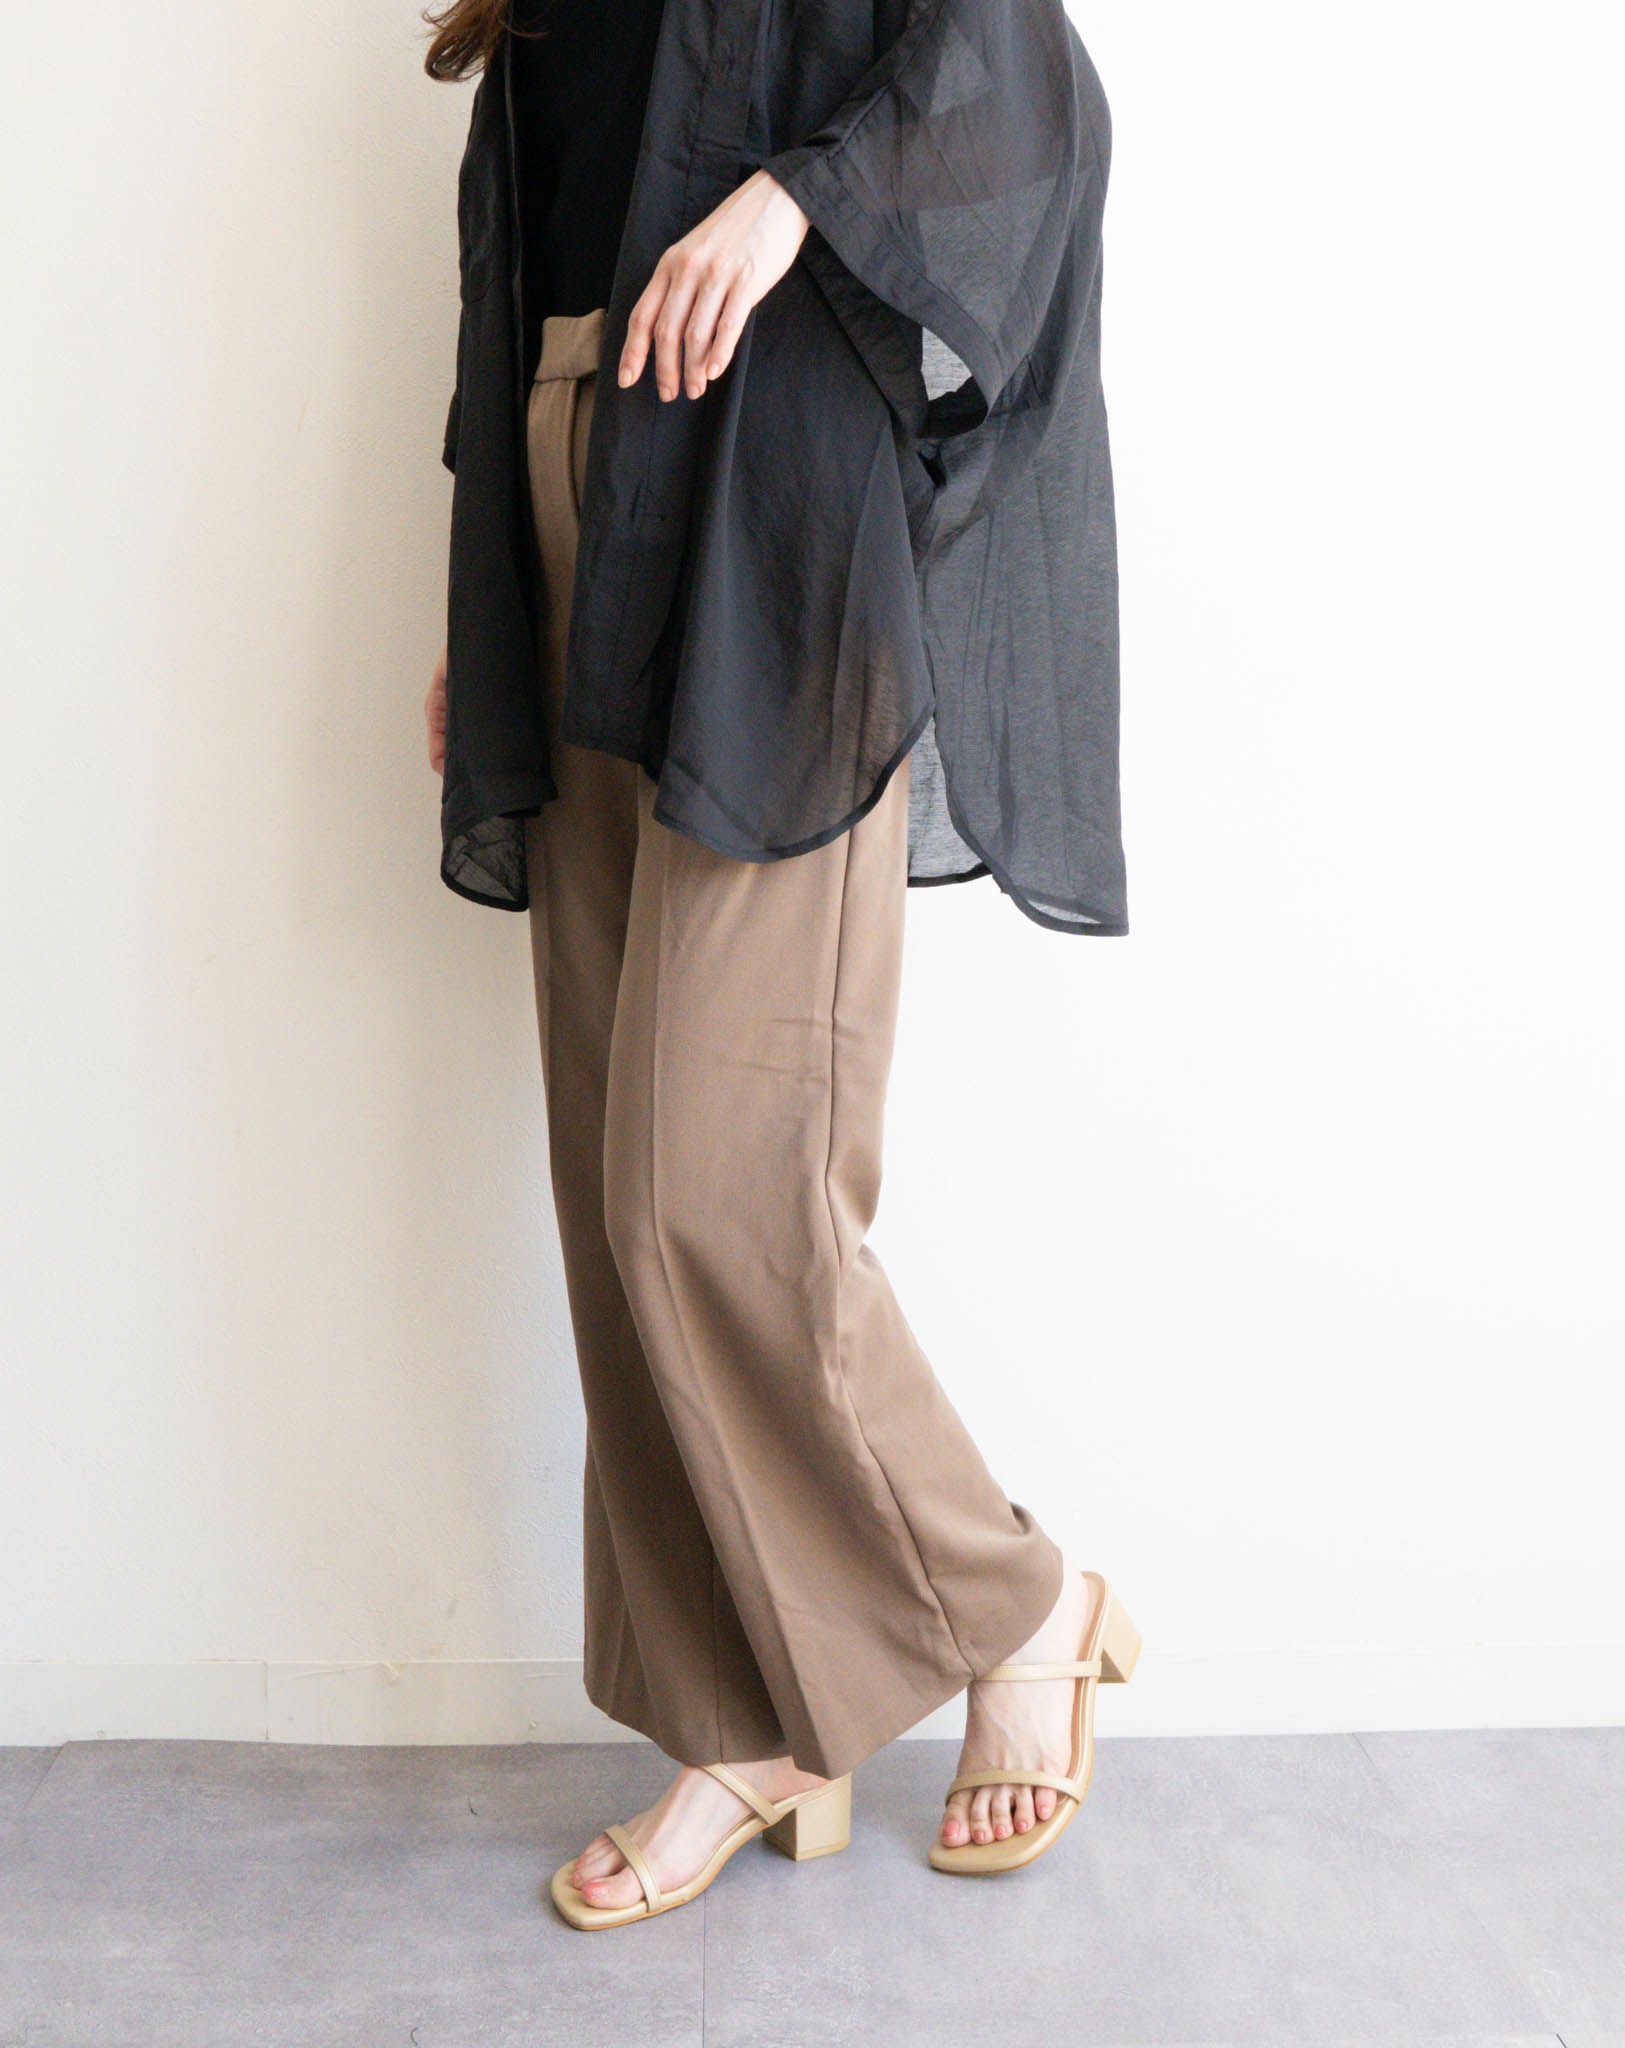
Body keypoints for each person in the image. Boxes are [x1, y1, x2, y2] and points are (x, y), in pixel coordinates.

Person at [422, 0, 1135, 1929]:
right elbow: (538, 227)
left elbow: (1023, 74)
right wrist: (487, 595)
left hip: (775, 495)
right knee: (611, 1189)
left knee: (714, 1189)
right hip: (572, 479)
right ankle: (741, 1722)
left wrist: (790, 202)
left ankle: (1016, 1602)